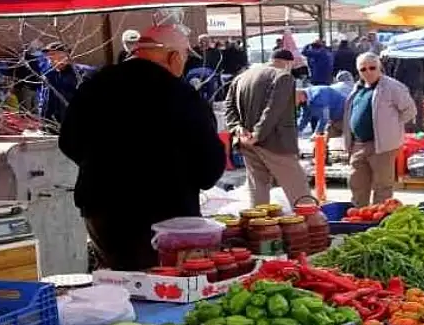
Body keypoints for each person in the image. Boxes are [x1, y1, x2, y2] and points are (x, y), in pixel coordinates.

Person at [58, 24, 226, 271]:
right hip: (167, 214)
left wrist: (101, 167)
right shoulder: (181, 95)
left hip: (102, 207)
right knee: (164, 284)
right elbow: (209, 166)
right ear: (173, 57)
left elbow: (68, 142)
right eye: (185, 57)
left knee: (119, 280)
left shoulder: (95, 85)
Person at [225, 49, 310, 206]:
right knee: (299, 191)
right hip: (275, 142)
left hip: (245, 141)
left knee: (258, 191)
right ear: (289, 63)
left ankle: (259, 228)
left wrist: (237, 128)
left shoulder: (241, 77)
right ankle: (312, 227)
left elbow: (229, 107)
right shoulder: (283, 76)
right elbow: (273, 109)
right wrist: (258, 133)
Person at [343, 52, 416, 206]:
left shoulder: (393, 87)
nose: (368, 72)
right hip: (358, 144)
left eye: (372, 68)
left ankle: (378, 218)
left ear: (379, 67)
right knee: (357, 183)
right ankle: (359, 216)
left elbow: (410, 111)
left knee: (382, 186)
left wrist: (390, 127)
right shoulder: (358, 88)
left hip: (382, 146)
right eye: (363, 69)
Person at [37, 42, 91, 129]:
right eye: (48, 55)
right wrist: (43, 121)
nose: (49, 58)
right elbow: (44, 100)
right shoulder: (49, 75)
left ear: (65, 55)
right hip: (53, 124)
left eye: (53, 54)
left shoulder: (82, 73)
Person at [387, 57, 424, 132]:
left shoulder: (403, 57)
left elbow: (397, 74)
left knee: (411, 114)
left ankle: (412, 134)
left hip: (413, 87)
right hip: (414, 87)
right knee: (413, 114)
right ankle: (414, 134)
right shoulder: (418, 56)